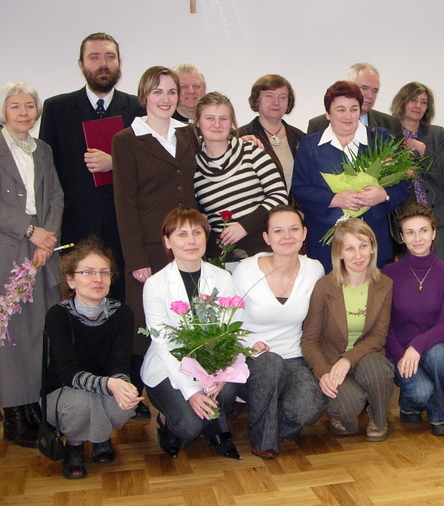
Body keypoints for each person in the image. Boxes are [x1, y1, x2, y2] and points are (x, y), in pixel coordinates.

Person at [111, 66, 198, 402]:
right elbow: (125, 204)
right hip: (149, 249)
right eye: (158, 92)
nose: (166, 99)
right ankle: (135, 395)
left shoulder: (188, 134)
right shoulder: (126, 140)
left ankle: (184, 393)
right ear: (144, 96)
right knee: (146, 325)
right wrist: (136, 259)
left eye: (172, 92)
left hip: (187, 245)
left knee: (185, 318)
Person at [40, 32, 144, 305]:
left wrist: (115, 163)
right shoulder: (57, 109)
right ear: (81, 64)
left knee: (125, 304)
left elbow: (150, 167)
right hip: (75, 225)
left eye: (110, 57)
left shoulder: (138, 109)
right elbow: (46, 175)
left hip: (125, 228)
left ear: (119, 62)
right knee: (75, 305)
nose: (103, 64)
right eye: (94, 57)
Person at [141, 207, 241, 460]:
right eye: (182, 234)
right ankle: (167, 423)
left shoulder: (223, 277)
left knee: (227, 390)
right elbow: (163, 343)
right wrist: (191, 391)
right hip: (168, 366)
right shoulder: (155, 285)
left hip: (212, 362)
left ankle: (216, 429)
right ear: (168, 241)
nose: (191, 241)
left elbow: (230, 329)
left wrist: (223, 372)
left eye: (197, 232)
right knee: (188, 426)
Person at [43, 238, 140, 479]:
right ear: (70, 280)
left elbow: (120, 364)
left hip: (105, 387)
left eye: (104, 273)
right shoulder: (58, 315)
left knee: (126, 403)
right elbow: (69, 373)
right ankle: (76, 445)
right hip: (63, 391)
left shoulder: (122, 313)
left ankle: (97, 437)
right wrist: (110, 384)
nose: (98, 279)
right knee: (81, 403)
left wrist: (121, 385)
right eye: (88, 272)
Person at [233, 205, 325, 458]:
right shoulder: (246, 270)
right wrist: (248, 344)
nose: (287, 236)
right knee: (270, 364)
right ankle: (263, 441)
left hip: (292, 356)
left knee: (308, 409)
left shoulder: (314, 269)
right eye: (278, 231)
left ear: (304, 233)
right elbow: (230, 321)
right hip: (251, 358)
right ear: (267, 238)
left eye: (294, 229)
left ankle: (271, 419)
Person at [0, 82, 63, 448]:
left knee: (40, 328)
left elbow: (55, 196)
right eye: (15, 106)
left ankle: (33, 405)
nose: (23, 112)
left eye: (29, 106)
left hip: (43, 249)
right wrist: (30, 230)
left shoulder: (43, 149)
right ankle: (13, 413)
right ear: (4, 112)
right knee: (11, 333)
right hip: (8, 248)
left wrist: (47, 239)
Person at [292, 80, 409, 272]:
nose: (348, 116)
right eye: (340, 109)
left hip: (373, 238)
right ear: (328, 114)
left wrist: (384, 195)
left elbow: (404, 184)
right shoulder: (310, 145)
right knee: (330, 291)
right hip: (327, 243)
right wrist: (335, 199)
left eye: (354, 109)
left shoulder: (381, 139)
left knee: (374, 290)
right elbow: (300, 189)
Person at [302, 218, 394, 441]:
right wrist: (323, 372)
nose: (358, 255)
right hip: (332, 361)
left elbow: (378, 336)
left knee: (378, 371)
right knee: (347, 408)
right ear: (339, 253)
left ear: (372, 248)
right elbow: (309, 339)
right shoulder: (324, 286)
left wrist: (348, 360)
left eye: (363, 246)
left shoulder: (384, 284)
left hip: (366, 357)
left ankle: (379, 417)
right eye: (350, 248)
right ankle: (349, 407)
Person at [384, 204, 444, 436]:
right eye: (410, 232)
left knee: (439, 354)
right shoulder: (389, 272)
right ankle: (410, 403)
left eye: (423, 230)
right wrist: (401, 355)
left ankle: (439, 413)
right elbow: (385, 325)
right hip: (399, 350)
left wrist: (416, 347)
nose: (417, 238)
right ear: (402, 237)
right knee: (420, 392)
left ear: (434, 233)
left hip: (434, 348)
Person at [194, 92, 288, 261]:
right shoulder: (193, 167)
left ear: (231, 123)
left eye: (223, 118)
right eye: (210, 118)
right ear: (198, 123)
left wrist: (244, 226)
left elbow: (279, 196)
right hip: (222, 258)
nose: (217, 124)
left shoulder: (252, 152)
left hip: (264, 250)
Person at [389, 81, 444, 261]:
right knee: (408, 271)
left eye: (423, 102)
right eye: (413, 100)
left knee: (440, 270)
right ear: (402, 102)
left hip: (436, 217)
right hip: (405, 219)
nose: (418, 105)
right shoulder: (388, 134)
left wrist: (424, 151)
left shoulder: (435, 134)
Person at [239, 74, 306, 194]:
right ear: (257, 100)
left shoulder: (301, 138)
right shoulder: (240, 138)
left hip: (294, 206)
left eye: (282, 97)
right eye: (269, 96)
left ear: (288, 102)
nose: (276, 102)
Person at [307, 64, 402, 137]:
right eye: (364, 88)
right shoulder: (318, 125)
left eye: (375, 90)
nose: (370, 95)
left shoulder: (390, 125)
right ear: (349, 86)